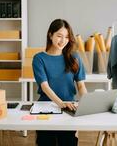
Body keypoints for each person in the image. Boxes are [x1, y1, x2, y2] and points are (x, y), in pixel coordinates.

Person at [32, 18, 87, 146]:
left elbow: (81, 86)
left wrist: (87, 103)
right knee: (46, 142)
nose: (63, 41)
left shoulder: (74, 57)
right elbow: (45, 86)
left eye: (67, 37)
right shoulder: (39, 58)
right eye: (59, 36)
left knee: (68, 142)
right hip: (46, 107)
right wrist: (61, 103)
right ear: (50, 35)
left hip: (69, 109)